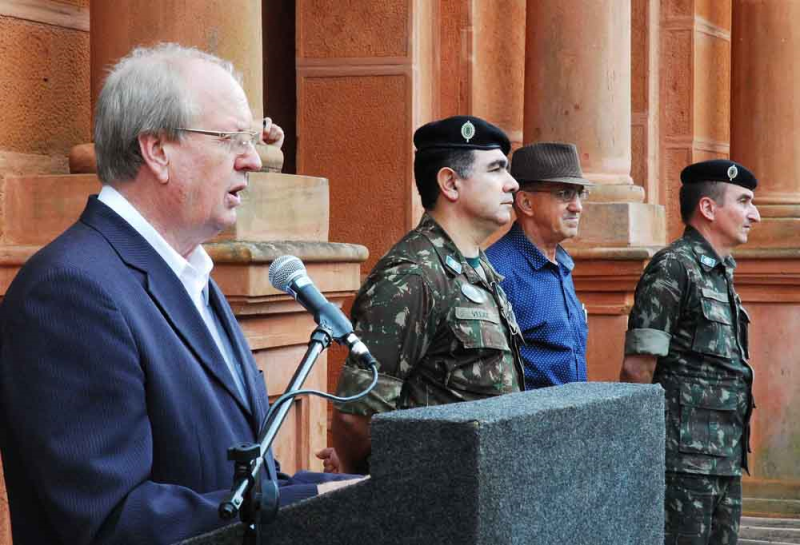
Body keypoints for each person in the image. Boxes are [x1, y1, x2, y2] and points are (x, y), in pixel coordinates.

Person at [0, 43, 357, 545]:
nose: (253, 160)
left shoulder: (191, 274)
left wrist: (353, 492)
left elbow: (249, 482)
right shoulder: (70, 290)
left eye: (252, 139)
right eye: (231, 138)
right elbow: (109, 522)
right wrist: (314, 502)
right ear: (157, 151)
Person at [324, 115, 525, 475]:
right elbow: (357, 415)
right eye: (496, 169)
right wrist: (364, 481)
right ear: (450, 183)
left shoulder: (477, 267)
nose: (512, 184)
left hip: (481, 484)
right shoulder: (414, 275)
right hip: (433, 492)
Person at [620, 159, 760, 544]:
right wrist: (641, 456)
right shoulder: (674, 267)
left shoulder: (720, 271)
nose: (755, 215)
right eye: (744, 201)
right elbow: (637, 369)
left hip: (723, 459)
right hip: (680, 465)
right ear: (708, 208)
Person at [486, 142, 591, 389]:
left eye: (580, 194)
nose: (577, 206)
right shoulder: (497, 272)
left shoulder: (561, 264)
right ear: (526, 203)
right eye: (564, 194)